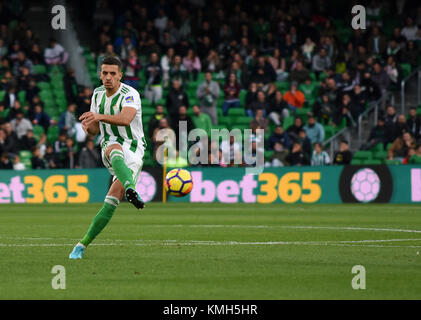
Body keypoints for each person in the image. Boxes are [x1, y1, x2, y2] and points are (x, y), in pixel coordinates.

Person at [69, 56, 145, 260]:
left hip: (135, 148)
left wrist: (98, 117)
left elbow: (126, 119)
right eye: (104, 73)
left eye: (113, 73)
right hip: (110, 145)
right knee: (113, 147)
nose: (108, 77)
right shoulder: (97, 94)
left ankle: (81, 245)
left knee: (111, 201)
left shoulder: (130, 94)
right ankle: (131, 187)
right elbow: (95, 131)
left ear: (120, 75)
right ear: (100, 74)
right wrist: (88, 126)